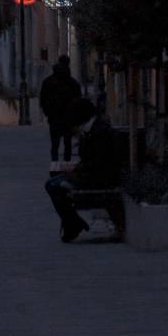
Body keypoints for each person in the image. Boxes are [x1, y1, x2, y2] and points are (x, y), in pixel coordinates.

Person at [44, 98, 121, 243]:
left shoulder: (99, 131)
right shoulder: (91, 129)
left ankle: (73, 225)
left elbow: (99, 162)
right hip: (92, 174)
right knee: (53, 183)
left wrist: (76, 169)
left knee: (53, 185)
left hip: (99, 178)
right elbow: (90, 159)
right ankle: (73, 224)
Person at [39, 54, 82, 163]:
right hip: (68, 117)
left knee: (55, 143)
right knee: (67, 143)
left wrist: (48, 113)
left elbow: (43, 99)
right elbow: (78, 101)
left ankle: (55, 164)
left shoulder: (48, 81)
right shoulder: (73, 83)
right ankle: (66, 164)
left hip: (54, 117)